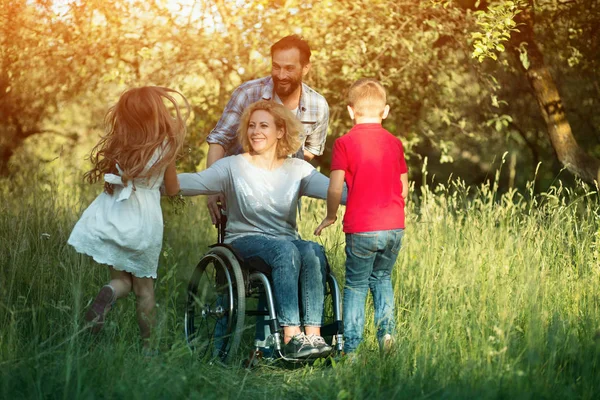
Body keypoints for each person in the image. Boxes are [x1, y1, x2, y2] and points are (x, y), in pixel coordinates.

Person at [178, 100, 342, 359]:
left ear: (280, 131)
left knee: (312, 249)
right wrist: (146, 180)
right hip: (243, 242)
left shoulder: (297, 169)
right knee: (286, 249)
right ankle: (291, 336)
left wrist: (380, 191)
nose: (256, 131)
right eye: (252, 126)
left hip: (284, 243)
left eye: (263, 125)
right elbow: (193, 181)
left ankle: (314, 335)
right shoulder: (231, 166)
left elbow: (339, 191)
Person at [68, 86, 189, 350]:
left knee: (121, 280)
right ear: (157, 113)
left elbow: (113, 183)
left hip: (116, 215)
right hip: (145, 219)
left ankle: (110, 292)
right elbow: (172, 189)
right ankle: (148, 350)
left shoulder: (121, 144)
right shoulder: (166, 146)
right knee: (144, 290)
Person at [314, 78, 409, 355]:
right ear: (386, 110)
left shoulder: (345, 143)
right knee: (382, 279)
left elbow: (334, 186)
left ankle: (352, 349)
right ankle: (387, 335)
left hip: (362, 227)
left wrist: (331, 215)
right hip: (394, 226)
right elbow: (403, 187)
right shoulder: (395, 143)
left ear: (350, 111)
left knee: (355, 285)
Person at [205, 34, 329, 224]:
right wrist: (212, 187)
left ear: (305, 68)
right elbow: (219, 140)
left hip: (284, 201)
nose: (281, 75)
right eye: (276, 66)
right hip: (240, 194)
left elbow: (311, 150)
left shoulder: (318, 105)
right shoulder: (248, 93)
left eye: (289, 68)